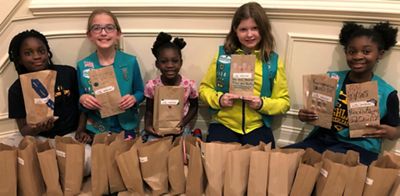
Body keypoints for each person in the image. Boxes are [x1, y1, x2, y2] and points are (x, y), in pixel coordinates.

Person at [288, 22, 400, 165]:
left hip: (359, 148)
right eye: (352, 51)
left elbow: (396, 128)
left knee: (329, 171)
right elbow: (315, 113)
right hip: (322, 140)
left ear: (380, 54)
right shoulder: (331, 79)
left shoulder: (386, 93)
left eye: (366, 51)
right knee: (283, 159)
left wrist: (391, 132)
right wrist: (303, 116)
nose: (358, 56)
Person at [199, 2, 290, 147]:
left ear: (264, 29)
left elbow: (284, 102)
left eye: (255, 28)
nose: (249, 34)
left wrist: (261, 104)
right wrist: (220, 99)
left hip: (257, 126)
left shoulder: (272, 61)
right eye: (243, 29)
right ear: (235, 30)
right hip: (224, 123)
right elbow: (204, 89)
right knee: (218, 165)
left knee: (261, 166)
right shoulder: (223, 55)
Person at [7, 29, 86, 144]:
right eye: (28, 53)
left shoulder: (68, 73)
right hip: (40, 138)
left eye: (41, 51)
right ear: (19, 59)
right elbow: (24, 130)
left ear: (47, 53)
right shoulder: (16, 90)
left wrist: (81, 130)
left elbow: (83, 108)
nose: (36, 56)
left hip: (73, 134)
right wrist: (38, 127)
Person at [77, 9, 144, 140]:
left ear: (118, 33)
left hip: (126, 126)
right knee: (99, 159)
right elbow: (80, 97)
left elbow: (140, 92)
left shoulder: (130, 62)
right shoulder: (83, 65)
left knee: (125, 159)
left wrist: (134, 98)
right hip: (97, 127)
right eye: (96, 28)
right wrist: (83, 99)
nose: (103, 33)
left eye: (109, 28)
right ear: (89, 35)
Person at [143, 32, 199, 141]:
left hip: (180, 127)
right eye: (164, 61)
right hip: (158, 127)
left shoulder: (189, 85)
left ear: (181, 62)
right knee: (153, 152)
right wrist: (147, 126)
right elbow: (149, 110)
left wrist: (183, 123)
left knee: (182, 152)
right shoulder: (151, 86)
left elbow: (194, 107)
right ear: (157, 64)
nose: (170, 65)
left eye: (175, 61)